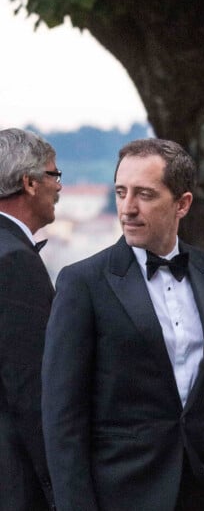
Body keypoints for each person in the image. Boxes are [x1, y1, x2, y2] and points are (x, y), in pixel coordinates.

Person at [42, 138, 204, 511]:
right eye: (121, 192)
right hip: (121, 493)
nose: (127, 209)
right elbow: (62, 418)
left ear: (182, 203)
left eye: (145, 194)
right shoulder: (83, 282)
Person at [0, 128, 60, 511]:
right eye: (55, 176)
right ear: (29, 183)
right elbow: (32, 391)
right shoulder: (15, 262)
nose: (60, 187)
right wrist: (59, 486)